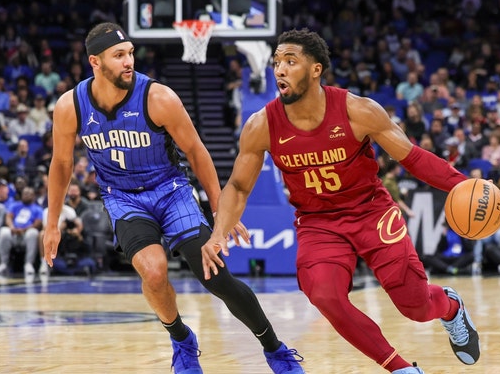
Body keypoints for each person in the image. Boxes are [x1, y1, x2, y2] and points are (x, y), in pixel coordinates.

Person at [201, 28, 481, 374]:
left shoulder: (358, 110)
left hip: (371, 212)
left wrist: (464, 185)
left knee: (416, 307)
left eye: (291, 61)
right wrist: (218, 233)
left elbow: (411, 157)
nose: (280, 70)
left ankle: (450, 307)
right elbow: (240, 187)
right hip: (319, 224)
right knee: (324, 294)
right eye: (277, 62)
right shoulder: (262, 125)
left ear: (316, 69)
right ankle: (401, 369)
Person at [42, 22, 304, 374]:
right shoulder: (69, 106)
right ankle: (182, 340)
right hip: (123, 197)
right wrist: (52, 223)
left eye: (131, 53)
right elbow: (61, 164)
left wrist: (219, 209)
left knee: (215, 276)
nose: (128, 61)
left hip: (171, 190)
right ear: (95, 61)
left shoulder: (158, 98)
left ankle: (275, 349)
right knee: (153, 271)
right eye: (119, 55)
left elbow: (196, 151)